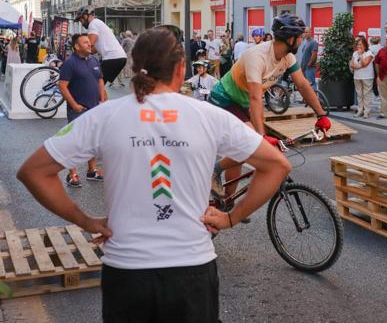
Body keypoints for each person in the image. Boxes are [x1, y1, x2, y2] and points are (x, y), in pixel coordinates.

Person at [18, 26, 290, 323]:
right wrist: (231, 217)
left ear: (134, 66)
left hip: (127, 269)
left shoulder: (103, 117)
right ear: (180, 68)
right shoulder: (209, 116)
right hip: (192, 268)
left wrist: (86, 221)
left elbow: (34, 172)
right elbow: (277, 165)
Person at [209, 13, 331, 199]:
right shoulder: (257, 56)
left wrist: (321, 115)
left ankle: (227, 201)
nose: (301, 40)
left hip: (243, 101)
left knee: (245, 150)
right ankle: (215, 170)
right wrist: (261, 136)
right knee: (250, 144)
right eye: (299, 37)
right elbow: (256, 98)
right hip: (225, 99)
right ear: (290, 39)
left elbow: (303, 85)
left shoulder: (287, 57)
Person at [57, 33, 106, 187]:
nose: (89, 44)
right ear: (76, 47)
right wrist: (74, 105)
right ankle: (72, 175)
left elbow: (100, 80)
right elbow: (62, 86)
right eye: (85, 43)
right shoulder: (70, 63)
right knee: (75, 142)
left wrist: (103, 99)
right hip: (78, 110)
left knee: (92, 141)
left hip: (95, 108)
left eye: (89, 42)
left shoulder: (93, 60)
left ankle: (92, 171)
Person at [74, 6, 127, 91]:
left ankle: (99, 102)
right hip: (119, 57)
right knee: (99, 84)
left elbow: (89, 44)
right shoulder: (98, 23)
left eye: (81, 20)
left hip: (112, 57)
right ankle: (102, 101)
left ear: (85, 16)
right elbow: (93, 50)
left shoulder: (93, 24)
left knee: (95, 84)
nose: (81, 23)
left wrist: (76, 54)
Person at [350, 36, 374, 118]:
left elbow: (365, 63)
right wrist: (359, 66)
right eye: (358, 44)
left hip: (367, 77)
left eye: (361, 44)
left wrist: (360, 55)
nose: (359, 46)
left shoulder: (369, 53)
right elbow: (352, 65)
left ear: (365, 45)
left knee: (366, 94)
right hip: (357, 77)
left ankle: (366, 112)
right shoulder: (354, 53)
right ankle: (360, 110)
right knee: (359, 94)